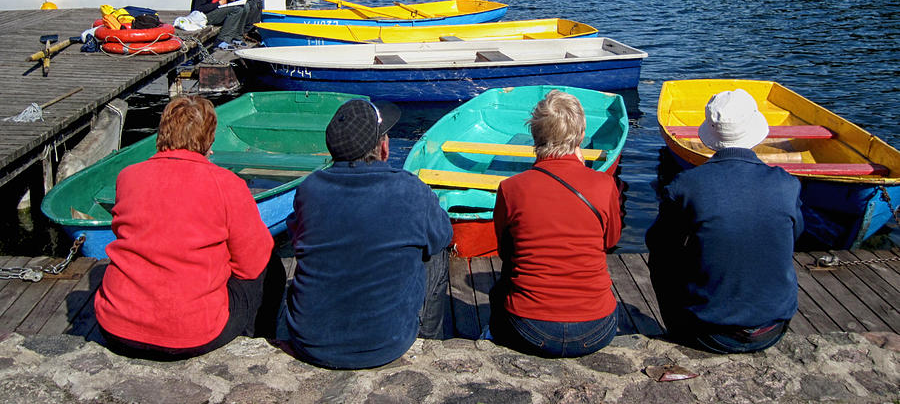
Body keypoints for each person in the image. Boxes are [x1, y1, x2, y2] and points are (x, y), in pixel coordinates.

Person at [94, 96, 285, 360]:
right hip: (193, 332)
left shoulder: (129, 176)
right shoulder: (226, 184)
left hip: (117, 326)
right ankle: (258, 347)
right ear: (208, 140)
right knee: (271, 267)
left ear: (163, 133)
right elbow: (252, 264)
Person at [285, 98, 453, 369]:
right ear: (384, 148)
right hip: (386, 343)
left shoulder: (309, 189)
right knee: (436, 252)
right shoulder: (410, 190)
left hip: (310, 340)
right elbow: (443, 235)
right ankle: (429, 342)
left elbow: (297, 236)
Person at [646, 88, 804, 354]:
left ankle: (676, 329)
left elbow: (658, 243)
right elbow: (795, 235)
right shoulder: (786, 184)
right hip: (773, 329)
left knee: (662, 256)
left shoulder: (687, 185)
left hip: (709, 333)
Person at [489, 89, 622, 358]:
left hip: (528, 326)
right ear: (581, 136)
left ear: (535, 136)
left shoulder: (511, 188)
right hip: (596, 327)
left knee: (499, 289)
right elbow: (611, 242)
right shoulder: (605, 185)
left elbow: (506, 252)